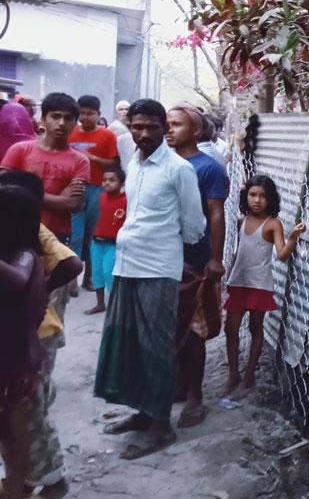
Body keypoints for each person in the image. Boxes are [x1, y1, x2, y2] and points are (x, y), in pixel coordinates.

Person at [93, 99, 206, 461]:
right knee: (130, 343)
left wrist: (163, 245)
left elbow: (194, 227)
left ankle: (161, 425)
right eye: (136, 127)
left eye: (151, 127)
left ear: (164, 128)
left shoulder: (178, 169)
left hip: (158, 269)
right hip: (127, 265)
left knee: (156, 345)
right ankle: (143, 413)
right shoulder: (134, 164)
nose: (143, 133)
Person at [0, 171, 82, 499]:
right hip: (18, 342)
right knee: (13, 424)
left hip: (29, 340)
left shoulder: (27, 245)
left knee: (31, 417)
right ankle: (21, 480)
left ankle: (47, 479)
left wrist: (41, 293)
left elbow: (72, 265)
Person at [165, 103, 227, 428]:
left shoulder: (208, 168)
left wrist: (215, 258)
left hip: (195, 258)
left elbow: (216, 214)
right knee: (170, 325)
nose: (169, 129)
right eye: (167, 124)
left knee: (193, 330)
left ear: (195, 130)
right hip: (163, 257)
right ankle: (176, 385)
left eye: (176, 124)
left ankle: (195, 395)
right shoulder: (161, 163)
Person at [224, 175, 304, 399]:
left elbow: (281, 254)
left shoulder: (272, 224)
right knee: (230, 328)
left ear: (270, 199)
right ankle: (233, 374)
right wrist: (229, 275)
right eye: (253, 195)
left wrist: (293, 238)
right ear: (245, 196)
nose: (257, 200)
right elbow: (238, 252)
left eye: (262, 196)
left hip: (259, 284)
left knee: (255, 327)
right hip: (239, 281)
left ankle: (249, 374)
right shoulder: (242, 220)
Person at [0, 185, 48, 499]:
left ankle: (17, 490)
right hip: (16, 357)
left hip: (13, 361)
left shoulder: (25, 257)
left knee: (15, 437)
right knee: (11, 438)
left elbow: (17, 280)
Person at [1, 92, 89, 245]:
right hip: (16, 229)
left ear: (75, 123)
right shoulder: (20, 150)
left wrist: (23, 192)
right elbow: (4, 190)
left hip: (57, 234)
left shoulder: (80, 161)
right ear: (43, 119)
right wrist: (56, 199)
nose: (61, 123)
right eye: (55, 116)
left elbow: (72, 204)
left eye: (68, 118)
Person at [69, 95, 118, 295]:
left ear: (99, 114)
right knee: (74, 235)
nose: (86, 117)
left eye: (91, 113)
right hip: (75, 187)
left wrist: (92, 158)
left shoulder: (108, 136)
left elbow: (114, 164)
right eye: (82, 113)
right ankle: (70, 280)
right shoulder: (70, 132)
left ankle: (89, 278)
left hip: (98, 189)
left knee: (94, 236)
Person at [86, 167, 127, 316]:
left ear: (122, 183)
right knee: (97, 273)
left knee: (109, 272)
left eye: (112, 180)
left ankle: (115, 305)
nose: (107, 183)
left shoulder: (126, 200)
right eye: (104, 180)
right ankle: (100, 304)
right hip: (97, 241)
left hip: (113, 243)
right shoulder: (101, 197)